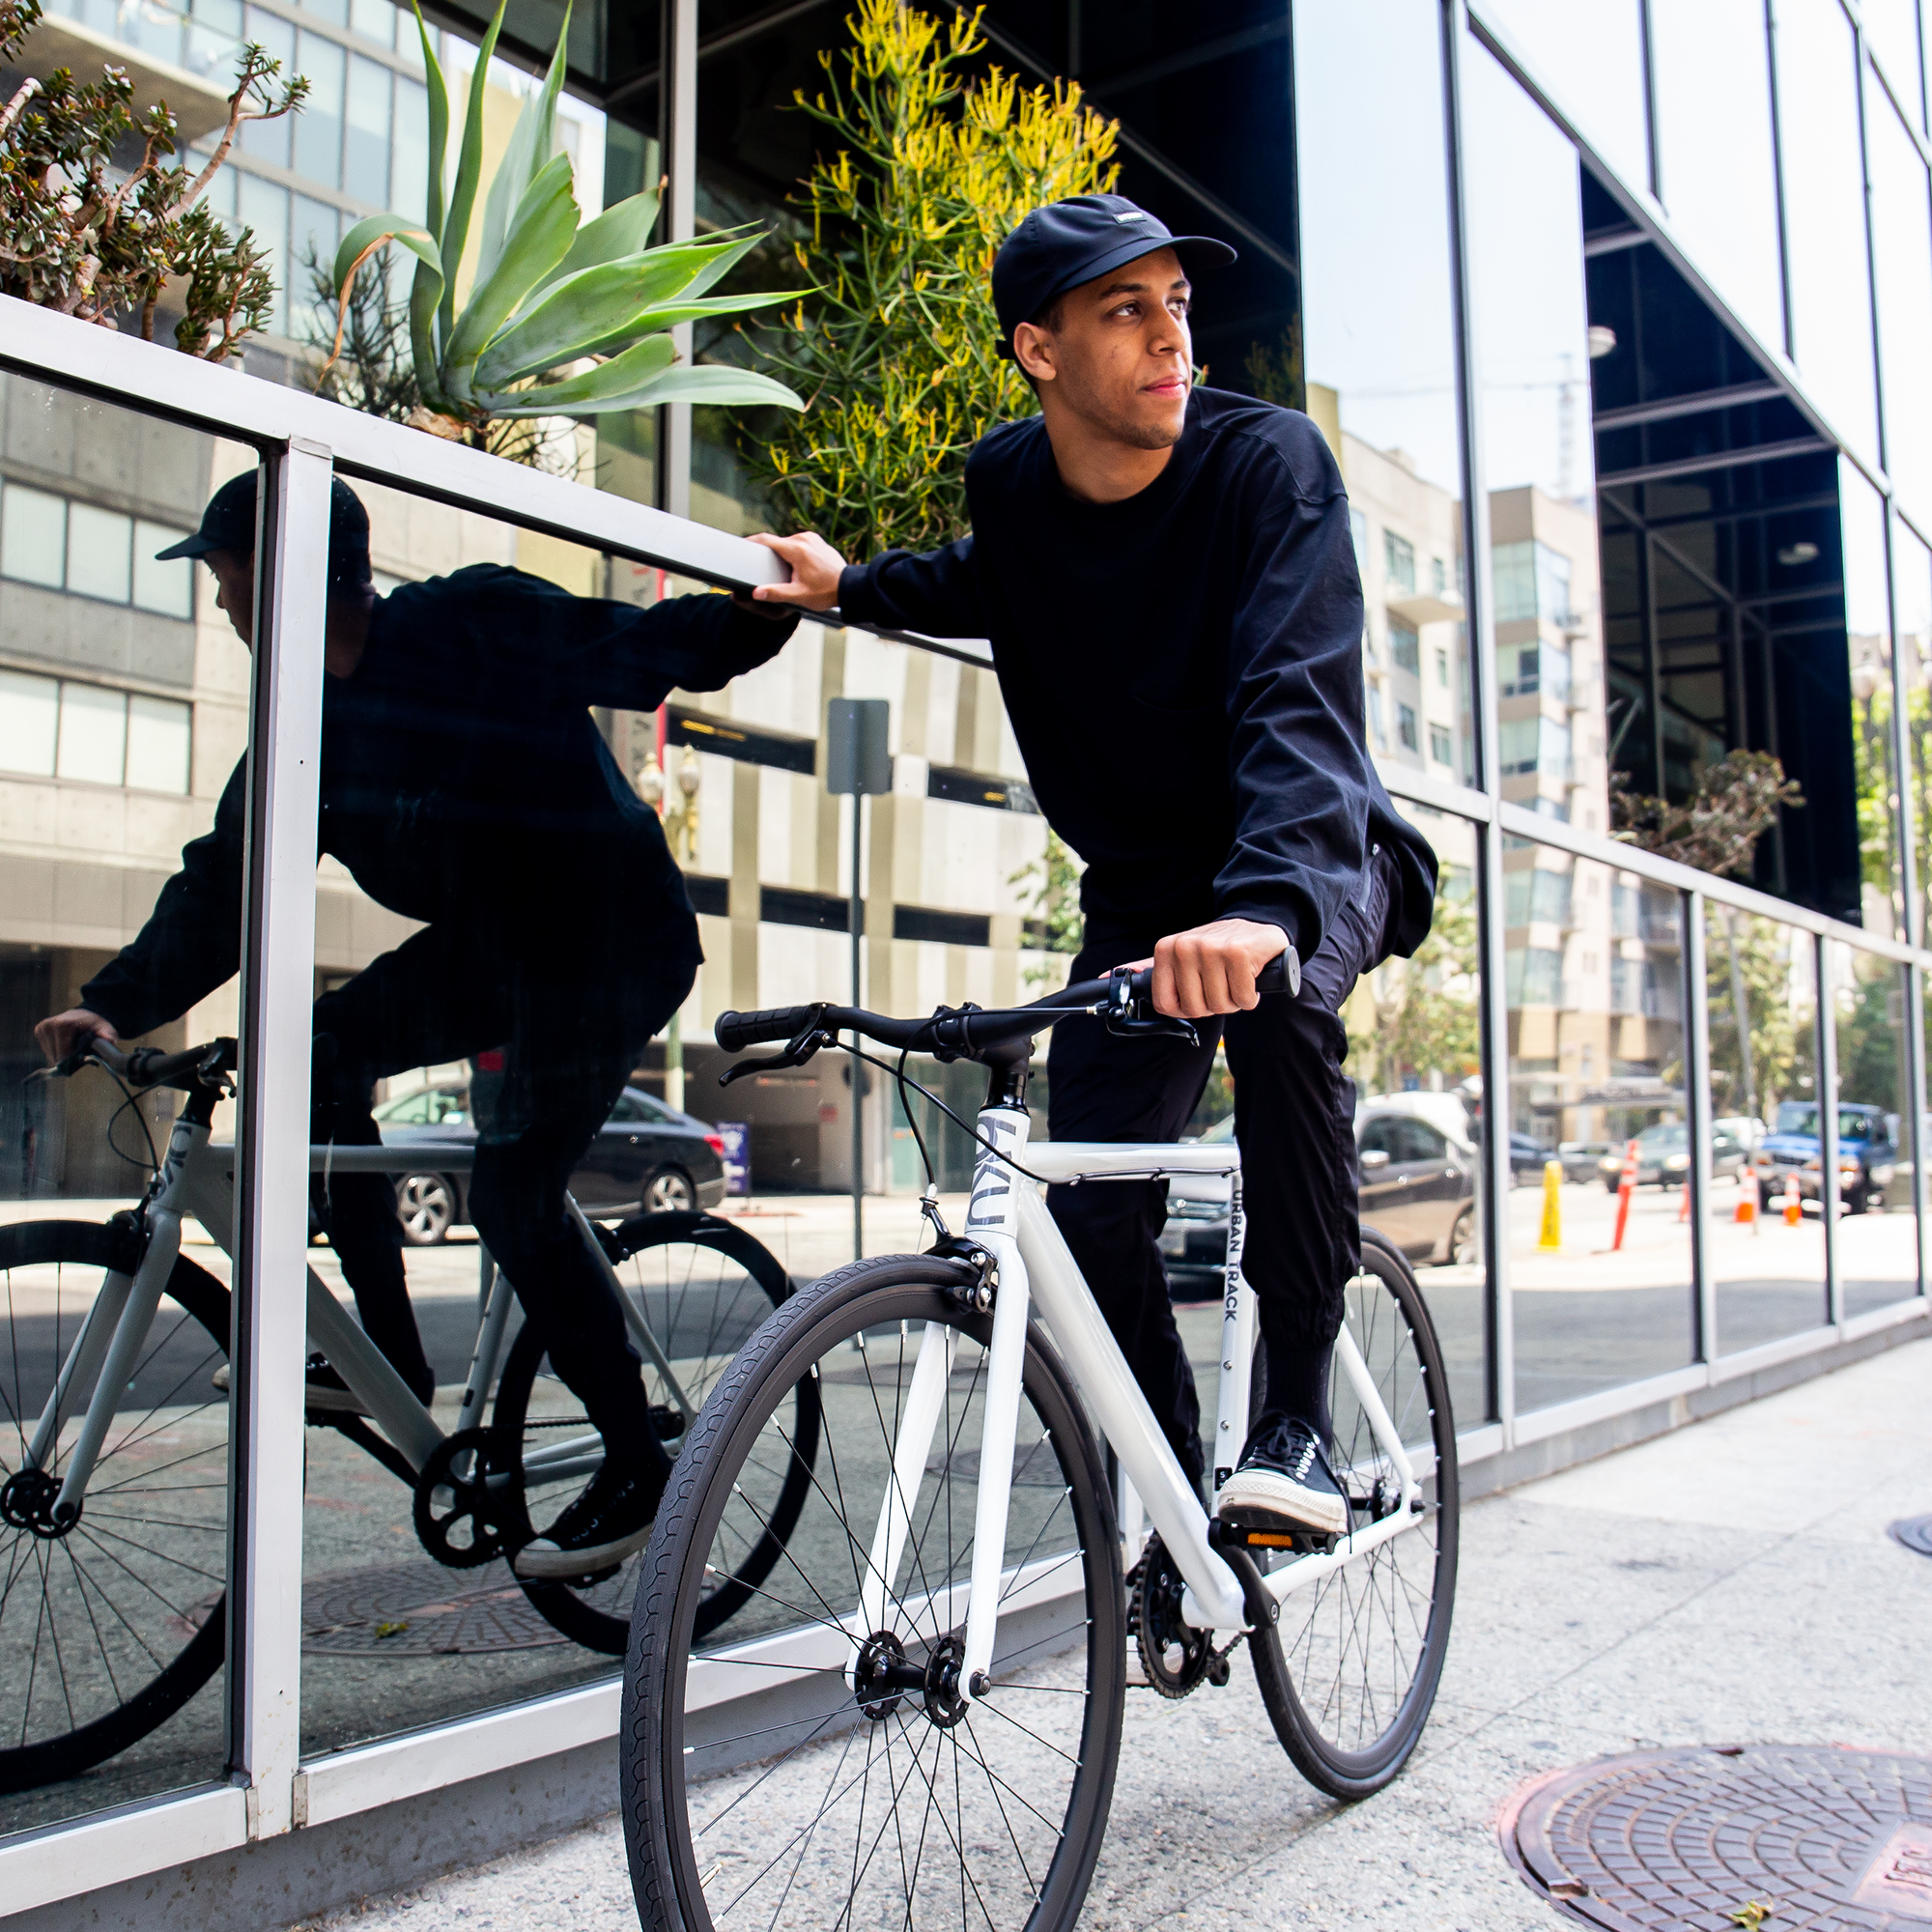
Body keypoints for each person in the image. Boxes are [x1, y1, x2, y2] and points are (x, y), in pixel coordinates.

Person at [747, 193, 1437, 1539]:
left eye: (1178, 305)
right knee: (1090, 1193)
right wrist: (855, 588)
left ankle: (1293, 1419)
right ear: (1039, 350)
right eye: (1128, 310)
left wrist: (1261, 910)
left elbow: (1301, 700)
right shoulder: (1011, 483)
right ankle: (1173, 1484)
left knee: (1282, 1005)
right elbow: (992, 576)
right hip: (1141, 891)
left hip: (1311, 854)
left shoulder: (1269, 467)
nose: (1173, 337)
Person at [35, 473, 798, 1576]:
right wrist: (110, 996)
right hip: (495, 942)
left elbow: (631, 647)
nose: (221, 602)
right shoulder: (310, 724)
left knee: (510, 1191)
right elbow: (226, 881)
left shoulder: (466, 622)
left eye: (226, 573)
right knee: (311, 1051)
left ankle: (639, 1461)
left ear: (290, 571)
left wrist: (755, 607)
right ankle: (384, 1351)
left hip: (606, 934)